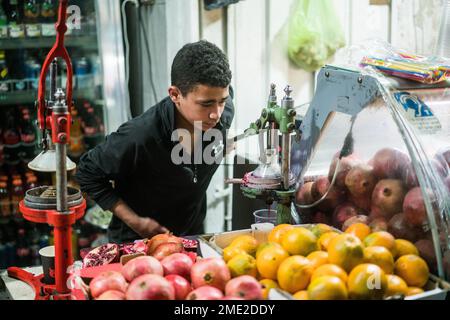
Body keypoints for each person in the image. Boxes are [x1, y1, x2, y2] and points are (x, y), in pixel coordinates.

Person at [75, 40, 234, 243]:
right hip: (139, 242)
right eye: (206, 104)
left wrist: (219, 144)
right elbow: (87, 171)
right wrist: (136, 221)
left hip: (191, 234)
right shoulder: (140, 136)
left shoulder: (223, 113)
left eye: (222, 101)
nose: (216, 115)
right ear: (175, 95)